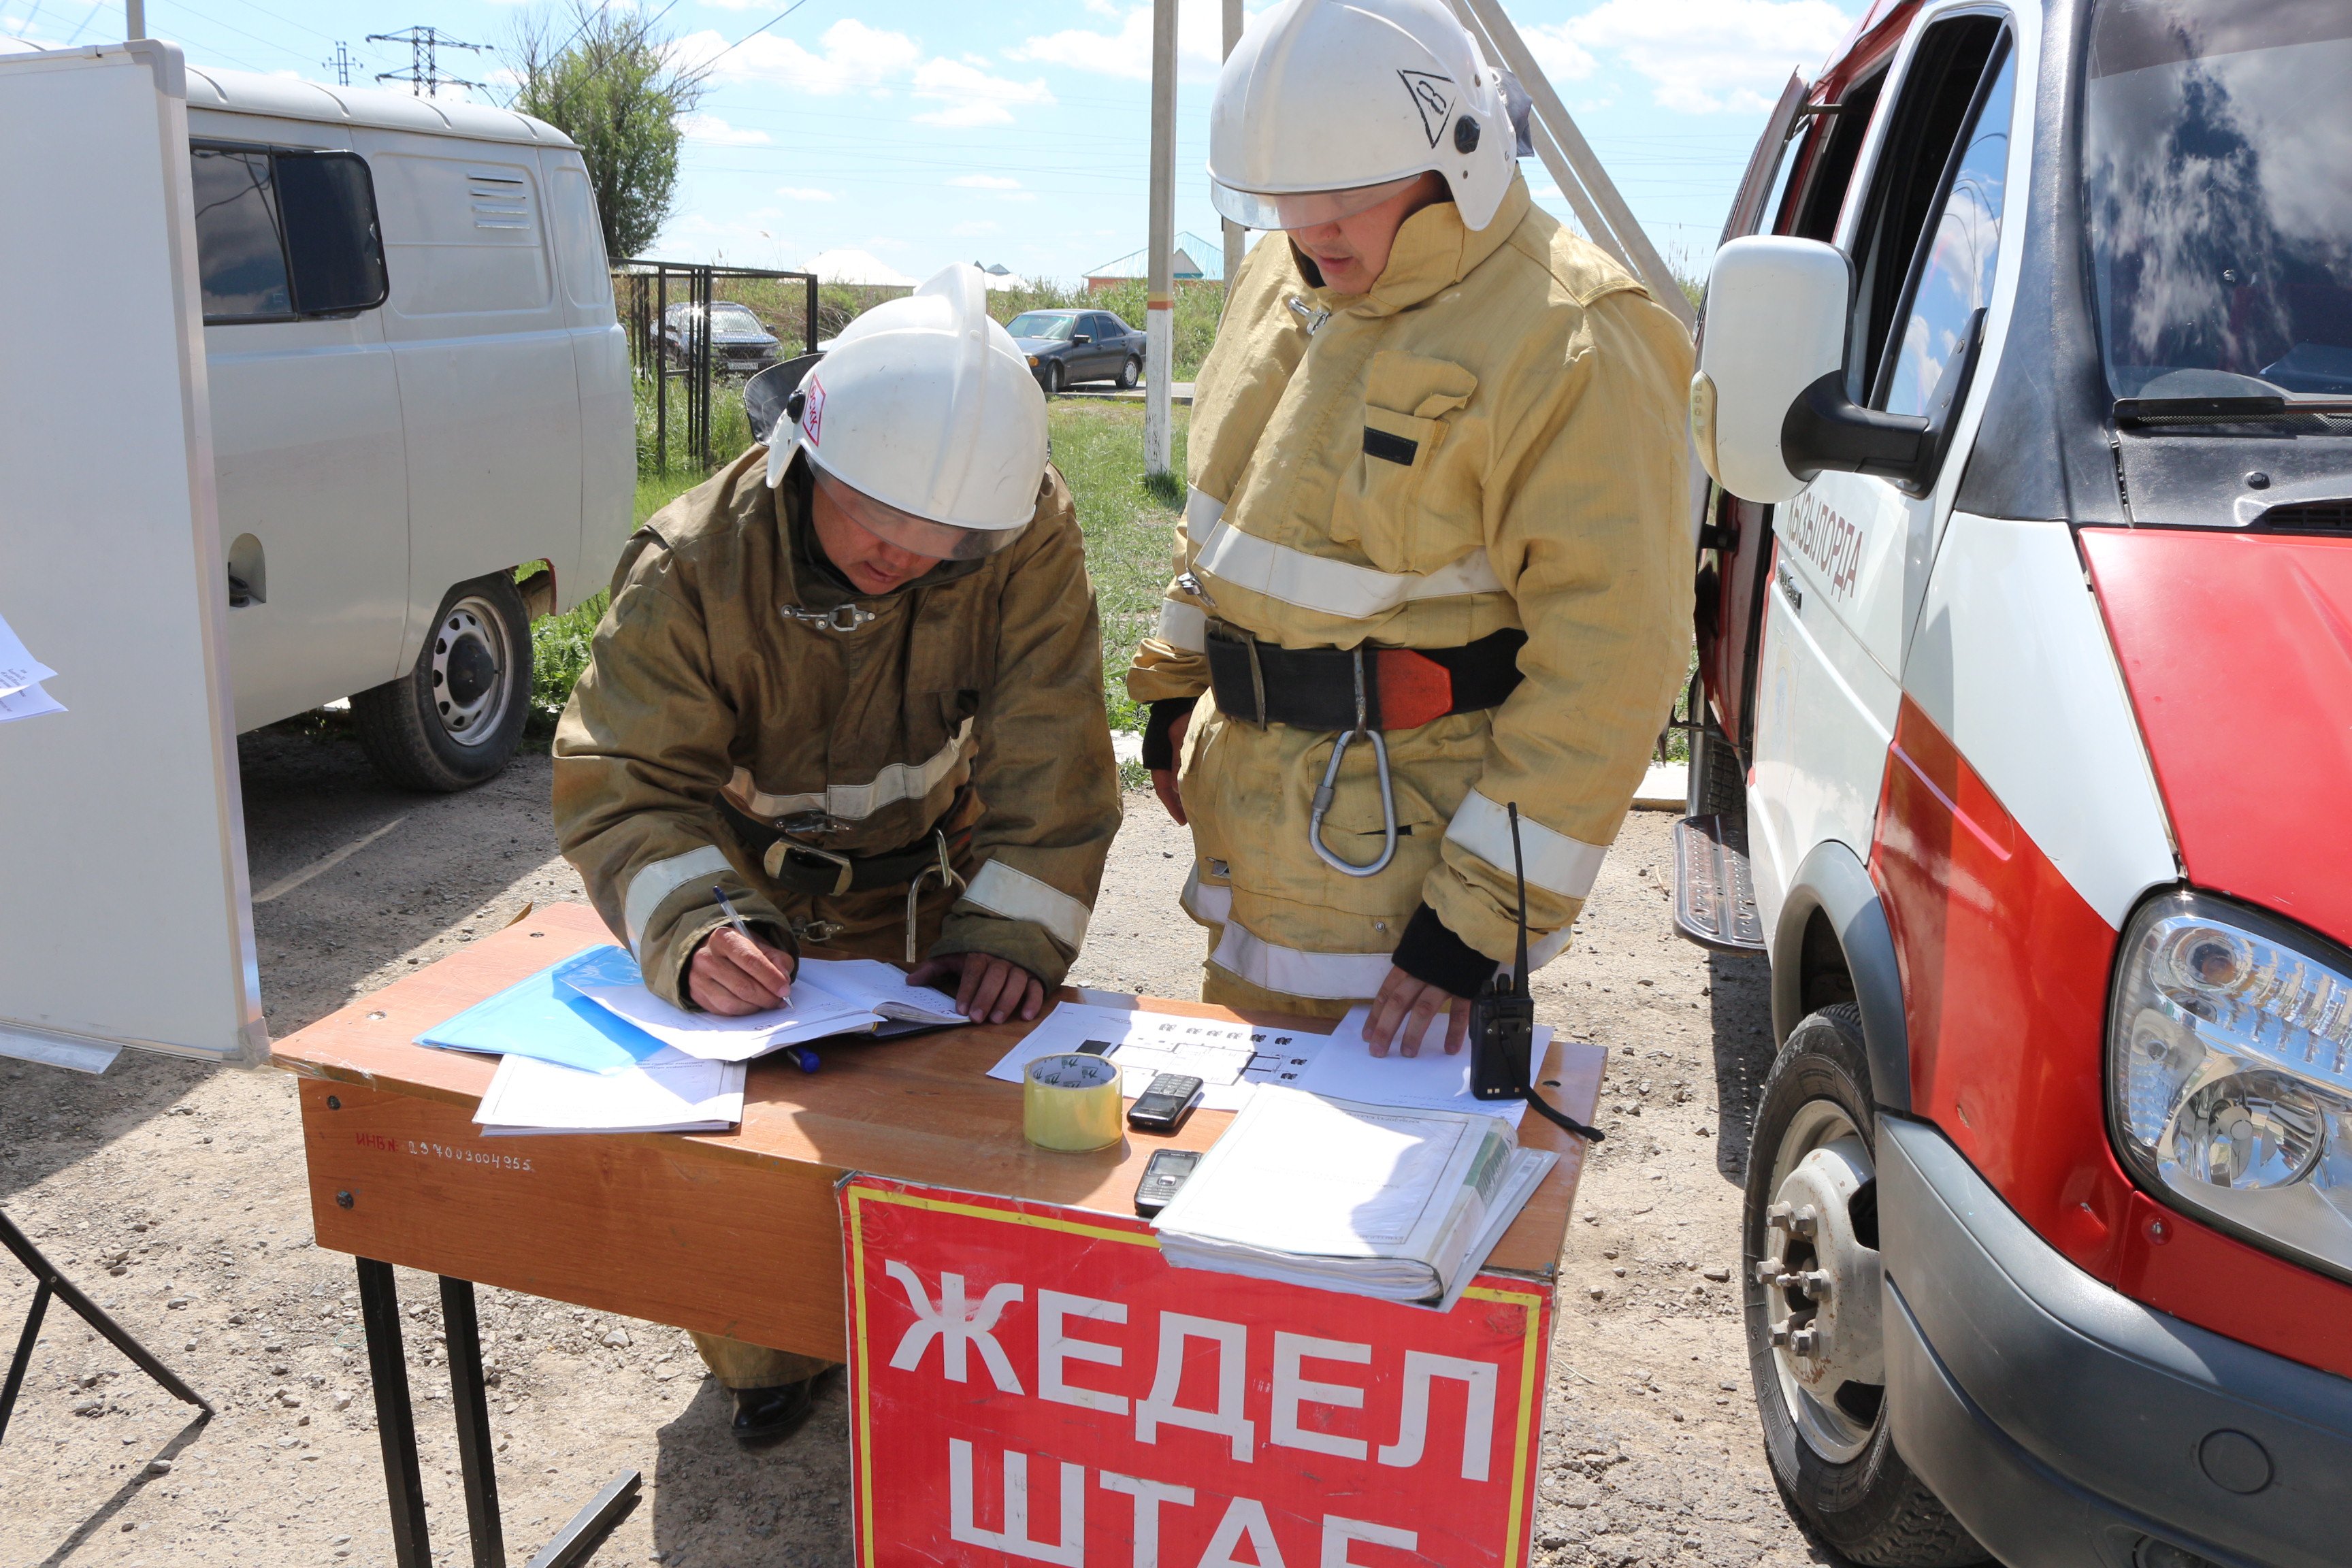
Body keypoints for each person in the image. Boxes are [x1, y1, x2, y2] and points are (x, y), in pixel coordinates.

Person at [553, 263, 1120, 1445]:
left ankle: (942, 1367)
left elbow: (1051, 750)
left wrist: (1011, 928)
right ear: (809, 454)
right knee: (755, 1249)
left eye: (942, 549)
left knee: (952, 1166)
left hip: (934, 890)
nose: (901, 560)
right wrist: (695, 925)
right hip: (751, 903)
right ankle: (776, 1364)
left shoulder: (1015, 531)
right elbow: (624, 781)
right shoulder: (698, 564)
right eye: (875, 525)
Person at [1129, 0, 1693, 1058]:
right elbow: (1221, 523)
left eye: (1344, 194)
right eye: (1284, 197)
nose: (1311, 228)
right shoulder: (1282, 275)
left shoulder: (1570, 333)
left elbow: (1613, 663)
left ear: (1460, 157)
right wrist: (1174, 691)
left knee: (1400, 1200)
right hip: (1254, 844)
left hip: (1406, 898)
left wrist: (1473, 924)